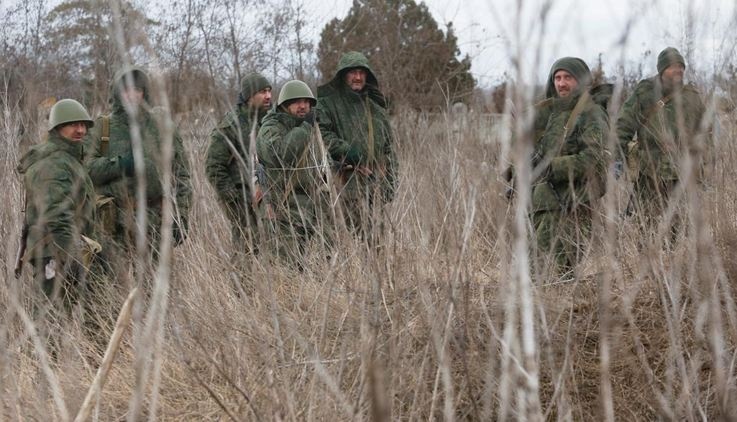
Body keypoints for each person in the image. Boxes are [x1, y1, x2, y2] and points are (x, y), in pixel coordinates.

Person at [84, 66, 192, 267]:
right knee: (115, 288)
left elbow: (182, 175)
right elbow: (86, 170)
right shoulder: (103, 127)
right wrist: (122, 164)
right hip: (113, 225)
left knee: (156, 288)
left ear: (145, 93)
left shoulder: (162, 126)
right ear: (117, 93)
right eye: (126, 90)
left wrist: (182, 217)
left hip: (156, 223)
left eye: (137, 90)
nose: (132, 95)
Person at [529, 57, 609, 275]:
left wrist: (553, 167)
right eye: (557, 78)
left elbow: (594, 159)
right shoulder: (550, 113)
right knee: (534, 267)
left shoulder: (592, 113)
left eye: (568, 78)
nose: (561, 83)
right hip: (541, 204)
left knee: (558, 271)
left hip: (573, 203)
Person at [17, 99, 97, 306]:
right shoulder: (53, 163)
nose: (80, 130)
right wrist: (72, 257)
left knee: (62, 311)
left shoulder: (67, 158)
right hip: (54, 250)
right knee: (50, 316)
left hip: (61, 248)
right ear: (58, 127)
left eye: (83, 125)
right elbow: (56, 214)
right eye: (73, 125)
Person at [617, 47, 710, 221]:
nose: (678, 70)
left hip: (683, 170)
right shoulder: (644, 92)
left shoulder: (692, 96)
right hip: (649, 170)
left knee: (680, 221)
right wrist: (617, 156)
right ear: (661, 69)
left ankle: (676, 248)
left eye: (681, 66)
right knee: (645, 221)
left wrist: (705, 167)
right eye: (673, 66)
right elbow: (624, 124)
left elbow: (705, 132)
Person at [316, 51, 398, 242]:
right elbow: (323, 135)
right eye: (352, 72)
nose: (358, 77)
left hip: (374, 187)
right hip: (341, 187)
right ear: (343, 75)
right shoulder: (327, 105)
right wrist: (349, 152)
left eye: (362, 72)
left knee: (375, 245)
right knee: (342, 245)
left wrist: (390, 184)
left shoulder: (376, 109)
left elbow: (389, 149)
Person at [257, 80, 334, 265]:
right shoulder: (271, 128)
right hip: (282, 209)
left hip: (312, 207)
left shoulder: (311, 128)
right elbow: (280, 154)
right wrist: (305, 128)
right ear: (285, 104)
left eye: (307, 102)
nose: (303, 106)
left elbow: (320, 160)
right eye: (297, 101)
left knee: (323, 263)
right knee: (286, 269)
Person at [205, 73, 272, 256]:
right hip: (240, 195)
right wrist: (234, 198)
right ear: (250, 96)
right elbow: (213, 166)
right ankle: (241, 283)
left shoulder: (269, 120)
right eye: (262, 92)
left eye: (269, 91)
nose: (268, 96)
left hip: (268, 192)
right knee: (247, 243)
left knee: (273, 242)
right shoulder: (230, 126)